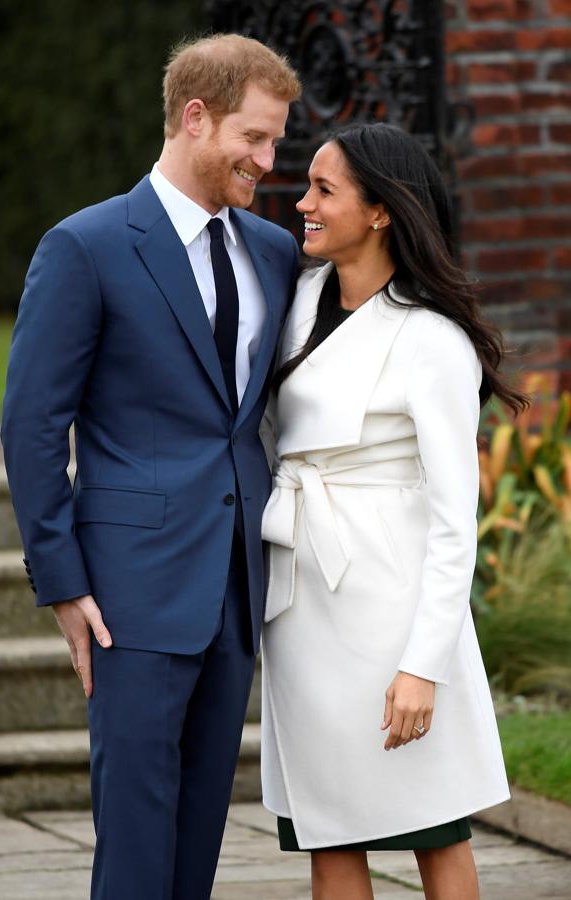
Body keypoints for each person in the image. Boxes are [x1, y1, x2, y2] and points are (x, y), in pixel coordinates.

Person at [1, 33, 301, 900]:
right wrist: (62, 582)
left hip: (236, 586)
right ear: (195, 117)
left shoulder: (273, 251)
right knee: (135, 843)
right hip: (128, 593)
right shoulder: (85, 245)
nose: (268, 162)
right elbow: (31, 425)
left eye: (276, 141)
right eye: (254, 138)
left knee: (199, 837)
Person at [260, 122, 527, 900]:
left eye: (324, 190)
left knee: (433, 826)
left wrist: (422, 666)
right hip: (303, 602)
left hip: (394, 610)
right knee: (328, 831)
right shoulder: (296, 300)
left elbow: (453, 521)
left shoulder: (432, 339)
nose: (303, 204)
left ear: (380, 211)